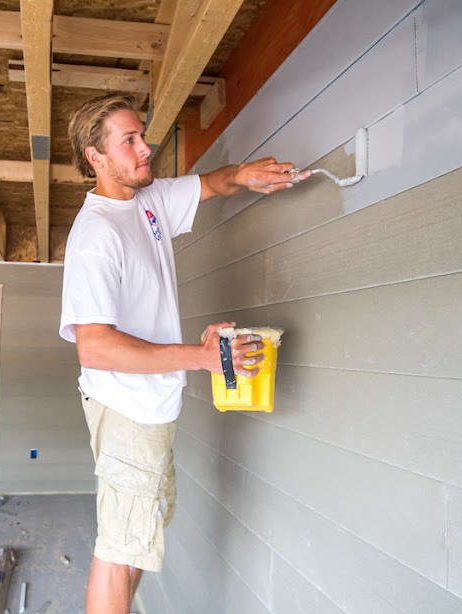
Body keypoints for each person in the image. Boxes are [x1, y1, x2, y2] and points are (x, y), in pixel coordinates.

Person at [59, 93, 308, 614]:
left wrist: (245, 175)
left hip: (150, 408)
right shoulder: (97, 235)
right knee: (120, 548)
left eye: (141, 135)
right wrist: (201, 357)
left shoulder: (146, 201)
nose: (145, 148)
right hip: (127, 408)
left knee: (136, 543)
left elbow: (212, 183)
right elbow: (95, 346)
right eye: (128, 141)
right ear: (95, 157)